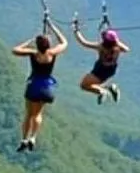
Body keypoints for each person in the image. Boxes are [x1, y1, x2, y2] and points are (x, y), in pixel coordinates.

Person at [11, 19, 67, 152]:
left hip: (33, 86)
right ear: (48, 45)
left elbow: (15, 50)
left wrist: (29, 42)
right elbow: (64, 42)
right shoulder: (52, 53)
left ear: (38, 45)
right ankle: (33, 137)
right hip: (47, 88)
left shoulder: (33, 54)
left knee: (28, 114)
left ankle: (24, 139)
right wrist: (52, 26)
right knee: (38, 114)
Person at [74, 24, 129, 104]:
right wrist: (117, 41)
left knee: (84, 85)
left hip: (100, 70)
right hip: (111, 69)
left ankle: (103, 91)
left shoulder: (100, 47)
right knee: (86, 84)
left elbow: (84, 42)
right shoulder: (118, 48)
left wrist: (76, 30)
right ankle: (109, 88)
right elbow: (127, 49)